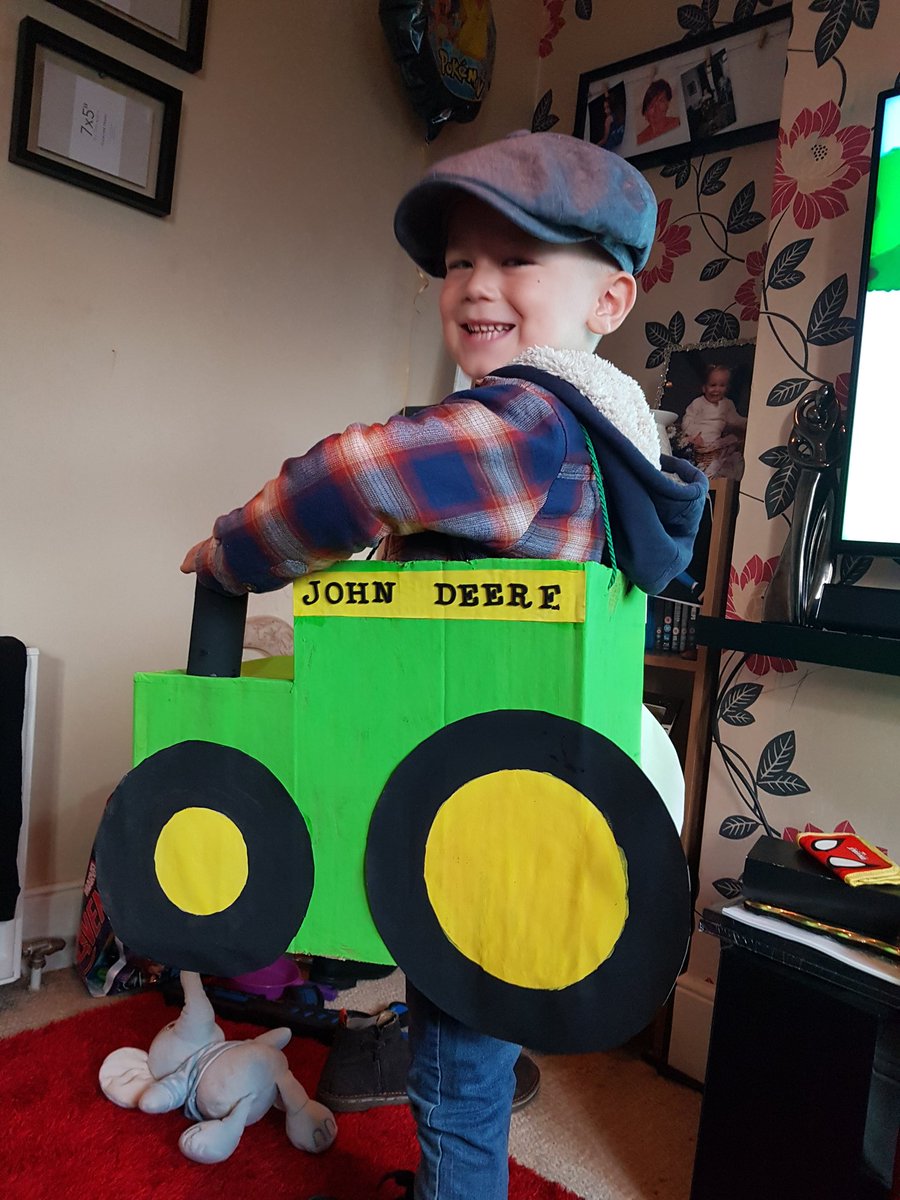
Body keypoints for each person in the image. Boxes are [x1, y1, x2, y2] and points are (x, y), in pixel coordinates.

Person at [181, 129, 708, 1200]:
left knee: (453, 1057)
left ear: (610, 301)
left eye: (517, 258)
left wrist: (237, 552)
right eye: (459, 261)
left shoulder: (525, 427)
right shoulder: (612, 445)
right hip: (542, 782)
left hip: (478, 803)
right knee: (472, 1010)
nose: (476, 285)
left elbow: (356, 474)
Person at [679, 362, 748, 480]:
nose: (717, 389)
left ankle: (713, 471)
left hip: (714, 444)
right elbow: (687, 420)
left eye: (722, 385)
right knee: (685, 446)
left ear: (727, 388)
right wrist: (693, 436)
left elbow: (734, 420)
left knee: (730, 448)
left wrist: (748, 423)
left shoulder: (727, 404)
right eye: (713, 385)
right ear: (704, 387)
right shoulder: (698, 403)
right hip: (696, 439)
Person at [636, 77, 681, 146]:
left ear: (668, 104)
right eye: (651, 105)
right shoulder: (640, 139)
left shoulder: (677, 123)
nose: (657, 109)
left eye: (661, 101)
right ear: (645, 113)